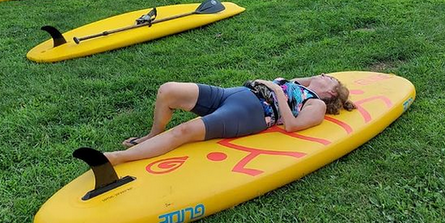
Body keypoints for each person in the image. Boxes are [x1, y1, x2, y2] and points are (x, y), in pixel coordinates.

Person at [105, 74, 355, 166]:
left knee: (184, 131)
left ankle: (117, 158)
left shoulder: (317, 104)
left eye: (328, 78)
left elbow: (291, 125)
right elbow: (302, 79)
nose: (322, 75)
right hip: (235, 93)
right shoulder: (303, 85)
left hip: (253, 112)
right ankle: (153, 134)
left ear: (332, 92)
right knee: (168, 90)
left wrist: (277, 91)